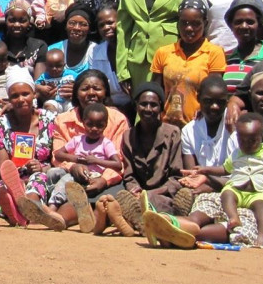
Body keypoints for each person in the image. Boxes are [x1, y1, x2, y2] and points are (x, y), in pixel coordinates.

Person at [170, 71, 263, 247]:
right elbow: (226, 168)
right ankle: (178, 223)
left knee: (247, 223)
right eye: (260, 93)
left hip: (258, 196)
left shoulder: (244, 131)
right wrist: (204, 171)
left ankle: (183, 232)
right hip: (230, 191)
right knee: (206, 202)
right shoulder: (240, 138)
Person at [183, 112, 263, 246]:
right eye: (242, 140)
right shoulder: (236, 153)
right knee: (227, 193)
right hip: (236, 189)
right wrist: (205, 170)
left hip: (257, 193)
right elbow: (225, 169)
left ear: (262, 137)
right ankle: (233, 217)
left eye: (252, 140)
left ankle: (262, 237)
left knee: (262, 210)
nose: (247, 144)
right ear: (237, 137)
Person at [47, 69, 131, 231]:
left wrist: (103, 181)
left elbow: (119, 159)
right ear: (76, 93)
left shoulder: (118, 119)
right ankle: (58, 218)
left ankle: (95, 219)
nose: (91, 93)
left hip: (107, 179)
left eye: (97, 89)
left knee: (107, 197)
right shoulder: (63, 120)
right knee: (71, 192)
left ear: (105, 92)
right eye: (85, 89)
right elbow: (57, 155)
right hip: (72, 176)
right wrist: (74, 167)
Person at [0, 67, 62, 230]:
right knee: (3, 188)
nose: (21, 99)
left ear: (34, 94)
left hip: (41, 174)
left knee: (37, 181)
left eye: (25, 94)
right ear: (8, 99)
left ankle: (24, 208)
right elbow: (3, 166)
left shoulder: (51, 120)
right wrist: (18, 175)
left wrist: (42, 167)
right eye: (14, 96)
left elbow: (58, 158)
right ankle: (25, 210)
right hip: (11, 177)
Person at [151, 0, 227, 127]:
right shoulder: (163, 53)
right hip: (167, 125)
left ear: (205, 24)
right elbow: (156, 91)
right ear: (177, 24)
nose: (189, 28)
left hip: (198, 126)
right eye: (184, 23)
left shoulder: (214, 53)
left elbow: (213, 91)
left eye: (196, 23)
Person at [48, 103, 122, 231]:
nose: (94, 129)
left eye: (99, 126)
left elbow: (117, 164)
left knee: (65, 181)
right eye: (90, 124)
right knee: (53, 173)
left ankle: (52, 209)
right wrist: (76, 159)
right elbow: (58, 154)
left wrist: (96, 160)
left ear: (105, 126)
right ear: (83, 123)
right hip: (77, 174)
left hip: (94, 177)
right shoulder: (78, 140)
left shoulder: (105, 143)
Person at [117, 81, 183, 222]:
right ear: (136, 106)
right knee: (118, 199)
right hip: (137, 194)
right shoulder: (128, 136)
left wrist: (151, 193)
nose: (148, 109)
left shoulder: (172, 133)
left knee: (155, 202)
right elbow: (129, 175)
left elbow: (176, 176)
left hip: (163, 193)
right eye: (143, 104)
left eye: (153, 105)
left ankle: (140, 221)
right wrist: (135, 190)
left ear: (161, 108)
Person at [177, 75, 236, 203]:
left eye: (220, 102)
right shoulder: (189, 131)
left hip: (232, 188)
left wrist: (210, 184)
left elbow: (240, 172)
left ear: (227, 101)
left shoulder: (234, 125)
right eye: (208, 101)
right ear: (198, 99)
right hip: (200, 186)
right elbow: (192, 172)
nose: (214, 106)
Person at [220, 0, 263, 92]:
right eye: (238, 22)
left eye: (250, 22)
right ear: (230, 25)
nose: (244, 26)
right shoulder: (225, 57)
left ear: (259, 25)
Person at [84, 5, 130, 108]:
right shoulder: (95, 51)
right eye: (101, 25)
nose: (106, 28)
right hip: (109, 107)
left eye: (110, 23)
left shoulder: (133, 48)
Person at [48, 4, 95, 85]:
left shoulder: (96, 51)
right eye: (72, 23)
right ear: (65, 26)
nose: (77, 28)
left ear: (89, 29)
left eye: (83, 24)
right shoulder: (52, 50)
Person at [2, 0, 48, 78]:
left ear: (29, 22)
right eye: (12, 20)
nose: (17, 25)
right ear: (5, 21)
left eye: (22, 21)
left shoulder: (39, 47)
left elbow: (39, 82)